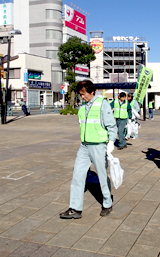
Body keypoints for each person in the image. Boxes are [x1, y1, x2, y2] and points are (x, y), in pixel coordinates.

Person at [59, 80, 117, 219]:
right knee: (78, 176)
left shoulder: (102, 104)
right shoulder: (83, 107)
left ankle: (107, 203)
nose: (82, 97)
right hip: (84, 146)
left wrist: (111, 142)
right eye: (80, 95)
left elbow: (111, 126)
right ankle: (75, 208)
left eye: (84, 94)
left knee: (102, 176)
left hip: (98, 146)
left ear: (92, 92)